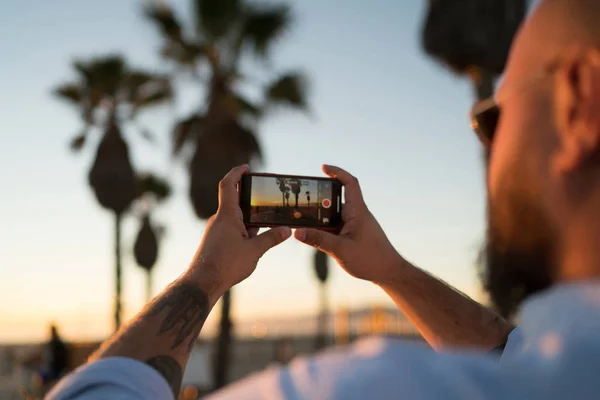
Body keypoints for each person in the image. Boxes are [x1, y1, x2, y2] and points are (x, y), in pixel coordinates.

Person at [47, 0, 600, 398]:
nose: (490, 147)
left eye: (492, 118)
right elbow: (512, 350)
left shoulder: (368, 387)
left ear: (580, 104)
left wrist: (206, 276)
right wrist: (391, 271)